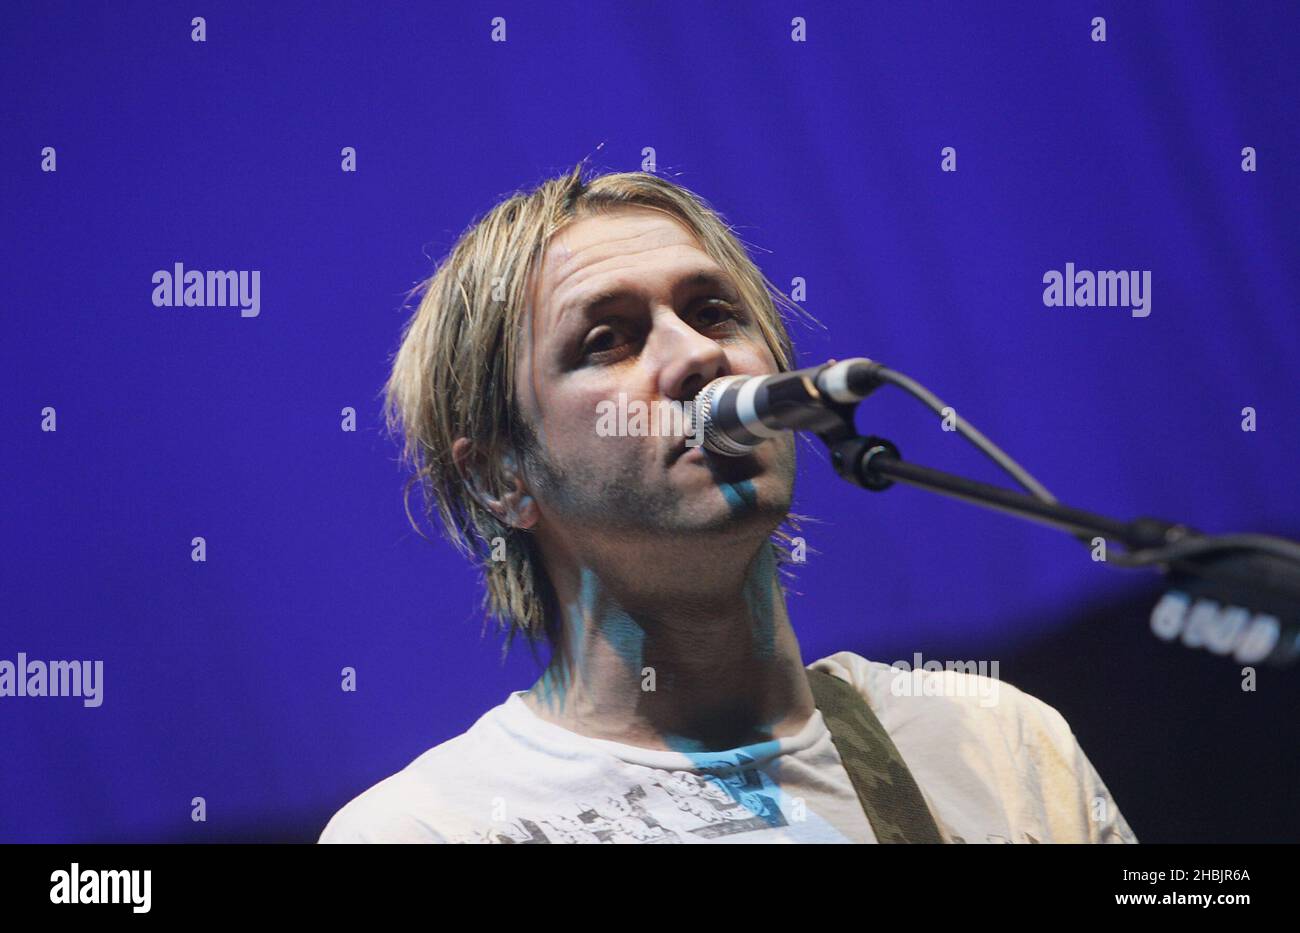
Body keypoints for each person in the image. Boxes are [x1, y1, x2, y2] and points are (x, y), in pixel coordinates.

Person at [319, 162, 1137, 844]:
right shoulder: (430, 827)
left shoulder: (994, 743)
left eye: (713, 311)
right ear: (501, 477)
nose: (699, 352)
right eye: (608, 338)